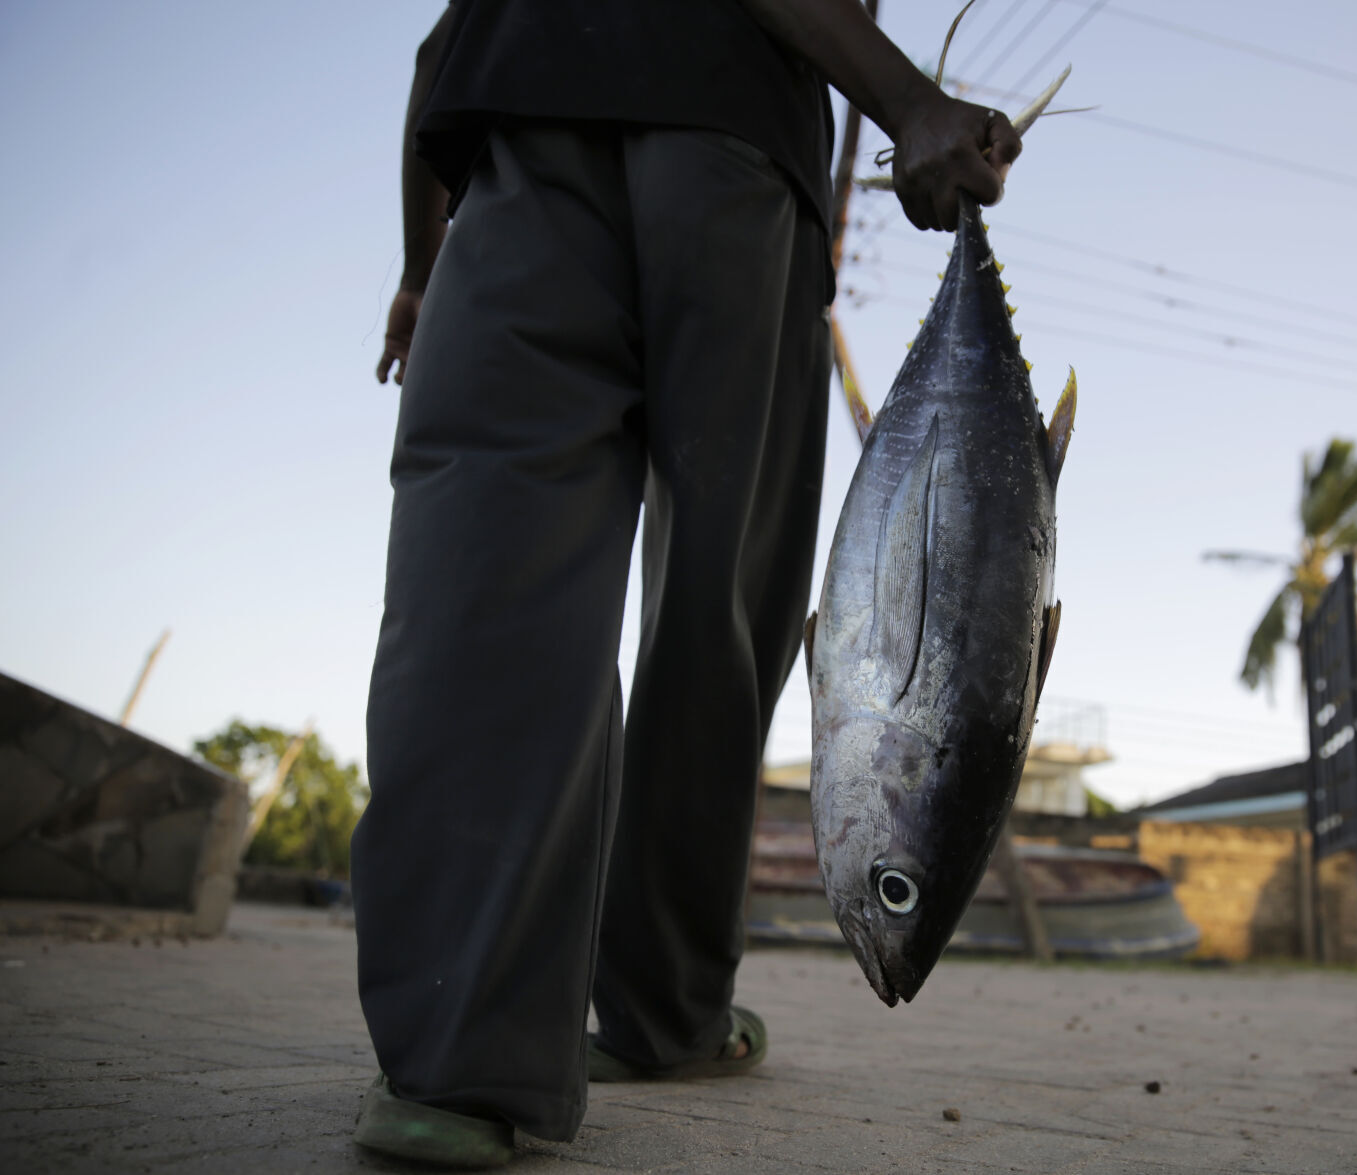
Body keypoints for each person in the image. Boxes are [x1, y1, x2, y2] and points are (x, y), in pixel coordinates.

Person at [351, 1, 1022, 1167]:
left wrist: (421, 268)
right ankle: (662, 1013)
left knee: (484, 582)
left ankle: (454, 1062)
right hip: (728, 151)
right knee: (715, 609)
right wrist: (906, 101)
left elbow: (436, 51)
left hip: (516, 147)